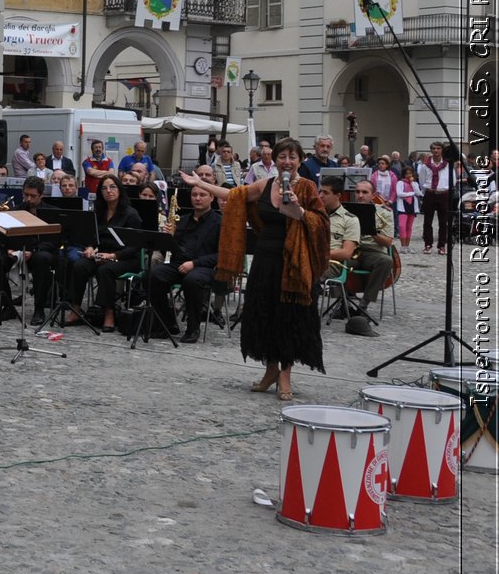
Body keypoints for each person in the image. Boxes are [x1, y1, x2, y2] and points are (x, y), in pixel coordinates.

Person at [190, 137, 328, 401]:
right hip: (265, 260)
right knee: (265, 315)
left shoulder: (308, 187)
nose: (287, 162)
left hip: (293, 263)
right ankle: (270, 371)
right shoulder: (265, 184)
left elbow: (321, 224)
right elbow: (235, 195)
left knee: (288, 318)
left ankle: (285, 376)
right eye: (282, 157)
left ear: (300, 161)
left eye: (292, 157)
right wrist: (200, 183)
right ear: (274, 160)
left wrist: (299, 210)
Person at [60, 171, 142, 332]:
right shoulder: (98, 212)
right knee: (79, 266)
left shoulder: (131, 214)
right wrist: (90, 248)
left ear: (119, 189)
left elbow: (135, 245)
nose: (109, 191)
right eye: (104, 188)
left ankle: (109, 312)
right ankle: (75, 308)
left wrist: (113, 255)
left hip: (126, 257)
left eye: (112, 187)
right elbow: (91, 236)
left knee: (105, 270)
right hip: (102, 254)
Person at [144, 183, 221, 342]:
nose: (197, 198)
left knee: (192, 280)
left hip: (204, 267)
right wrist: (167, 239)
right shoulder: (182, 220)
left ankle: (193, 328)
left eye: (202, 195)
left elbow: (222, 255)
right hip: (179, 263)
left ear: (212, 197)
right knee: (151, 276)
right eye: (194, 195)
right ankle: (167, 323)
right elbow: (170, 252)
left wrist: (195, 263)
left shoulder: (220, 222)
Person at [0, 175, 59, 325]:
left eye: (33, 196)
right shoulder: (16, 211)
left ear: (41, 195)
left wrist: (34, 251)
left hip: (38, 253)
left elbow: (52, 241)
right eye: (26, 195)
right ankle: (7, 304)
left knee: (43, 259)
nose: (28, 199)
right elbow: (4, 236)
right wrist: (8, 249)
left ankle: (39, 308)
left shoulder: (51, 212)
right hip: (16, 252)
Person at [348, 178, 395, 323]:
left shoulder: (384, 212)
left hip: (372, 252)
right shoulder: (346, 211)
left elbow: (388, 242)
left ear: (373, 195)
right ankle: (344, 303)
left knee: (386, 261)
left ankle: (363, 306)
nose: (360, 195)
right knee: (335, 260)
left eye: (364, 192)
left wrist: (372, 232)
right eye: (357, 192)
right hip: (352, 250)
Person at [417, 140, 455, 254]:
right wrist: (426, 190)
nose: (436, 151)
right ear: (431, 150)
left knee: (443, 221)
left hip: (443, 194)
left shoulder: (448, 165)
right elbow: (422, 180)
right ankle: (428, 244)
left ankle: (442, 245)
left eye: (438, 148)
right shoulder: (425, 166)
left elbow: (452, 180)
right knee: (427, 220)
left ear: (442, 150)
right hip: (430, 193)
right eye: (433, 149)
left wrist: (445, 188)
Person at [393, 164, 421, 246]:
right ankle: (403, 245)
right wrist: (412, 193)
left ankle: (407, 245)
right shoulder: (400, 183)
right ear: (403, 174)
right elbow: (400, 193)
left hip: (412, 206)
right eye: (406, 173)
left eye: (410, 173)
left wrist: (412, 183)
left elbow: (418, 193)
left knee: (409, 227)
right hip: (403, 206)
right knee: (402, 226)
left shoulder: (415, 183)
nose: (408, 175)